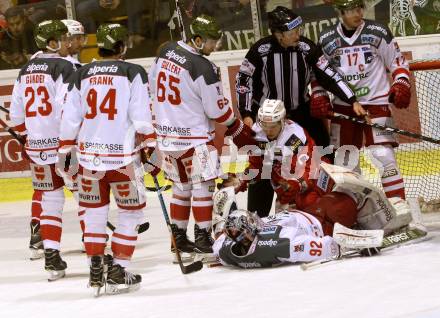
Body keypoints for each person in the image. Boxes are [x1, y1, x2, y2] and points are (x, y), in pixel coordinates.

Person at [235, 6, 363, 217]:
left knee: (323, 156)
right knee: (264, 166)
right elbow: (243, 82)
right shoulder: (260, 50)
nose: (298, 34)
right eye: (292, 31)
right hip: (269, 119)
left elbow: (329, 73)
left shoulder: (306, 47)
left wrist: (352, 99)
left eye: (298, 29)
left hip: (300, 112)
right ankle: (258, 219)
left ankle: (330, 210)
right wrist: (246, 115)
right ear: (278, 34)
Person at [148, 14, 255, 261]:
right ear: (196, 40)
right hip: (196, 140)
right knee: (203, 188)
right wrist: (235, 126)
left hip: (168, 138)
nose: (214, 46)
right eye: (211, 41)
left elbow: (153, 85)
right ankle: (203, 236)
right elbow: (217, 110)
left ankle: (179, 239)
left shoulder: (165, 50)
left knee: (180, 188)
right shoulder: (202, 67)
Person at [59, 23, 156, 295]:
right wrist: (152, 146)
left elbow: (70, 118)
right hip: (123, 159)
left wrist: (65, 149)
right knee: (131, 211)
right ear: (121, 47)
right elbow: (141, 115)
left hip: (89, 159)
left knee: (94, 213)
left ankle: (95, 266)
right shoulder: (133, 72)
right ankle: (118, 269)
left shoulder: (81, 73)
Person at [212, 159, 414, 268]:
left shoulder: (226, 250)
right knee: (351, 197)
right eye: (252, 223)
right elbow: (327, 247)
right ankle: (389, 222)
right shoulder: (282, 245)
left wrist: (223, 223)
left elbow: (220, 240)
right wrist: (360, 243)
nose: (256, 221)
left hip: (303, 213)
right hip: (321, 221)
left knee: (315, 194)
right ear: (249, 233)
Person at [316, 0, 411, 199]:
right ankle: (356, 211)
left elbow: (398, 62)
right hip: (343, 107)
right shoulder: (326, 38)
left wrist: (401, 83)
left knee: (385, 158)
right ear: (340, 12)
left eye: (360, 8)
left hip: (376, 103)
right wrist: (320, 95)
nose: (358, 13)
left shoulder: (378, 31)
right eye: (351, 9)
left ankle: (399, 207)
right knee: (346, 164)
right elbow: (320, 74)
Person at [9, 20, 74, 276]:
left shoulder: (24, 70)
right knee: (87, 198)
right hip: (64, 146)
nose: (67, 41)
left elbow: (16, 117)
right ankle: (97, 255)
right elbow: (68, 108)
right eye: (62, 37)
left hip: (38, 148)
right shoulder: (63, 66)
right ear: (51, 42)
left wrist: (29, 135)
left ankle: (51, 256)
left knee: (51, 200)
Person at [232, 99, 320, 215]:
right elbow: (256, 163)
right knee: (259, 216)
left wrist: (298, 184)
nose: (268, 130)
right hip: (280, 181)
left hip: (306, 181)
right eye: (264, 125)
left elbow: (310, 168)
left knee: (304, 215)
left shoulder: (295, 137)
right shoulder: (257, 132)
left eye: (272, 126)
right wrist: (244, 179)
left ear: (282, 121)